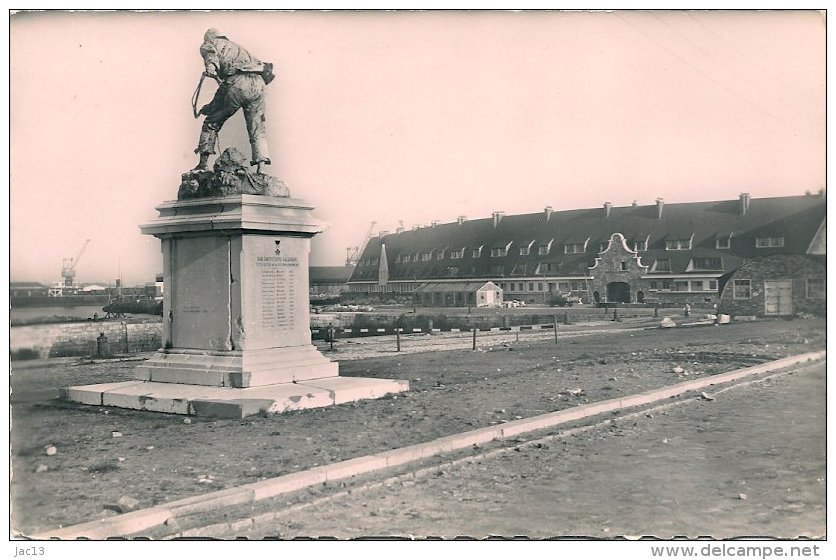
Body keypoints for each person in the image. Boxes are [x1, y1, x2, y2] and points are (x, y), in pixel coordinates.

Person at [194, 29, 273, 173]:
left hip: (238, 82)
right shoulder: (236, 46)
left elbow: (211, 56)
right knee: (257, 127)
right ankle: (261, 167)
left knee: (211, 123)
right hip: (259, 83)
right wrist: (210, 106)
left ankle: (202, 165)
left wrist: (211, 67)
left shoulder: (209, 43)